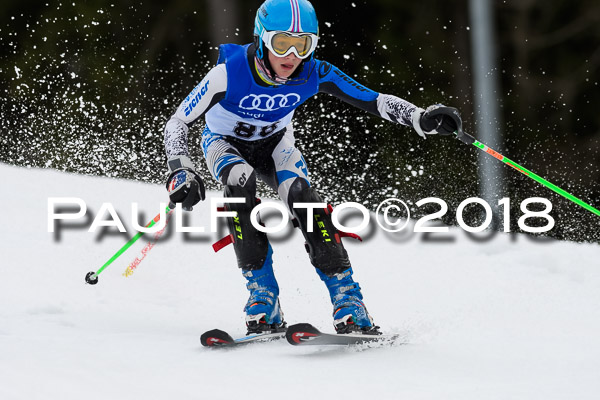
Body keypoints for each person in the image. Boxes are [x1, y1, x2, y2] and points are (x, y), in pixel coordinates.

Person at [163, 0, 462, 335]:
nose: (292, 55)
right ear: (262, 40)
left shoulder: (313, 72)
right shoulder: (228, 72)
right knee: (239, 182)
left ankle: (348, 300)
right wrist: (181, 169)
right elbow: (178, 122)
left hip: (276, 144)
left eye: (303, 44)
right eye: (281, 43)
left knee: (303, 197)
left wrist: (420, 117)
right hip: (225, 143)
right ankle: (264, 298)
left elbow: (374, 100)